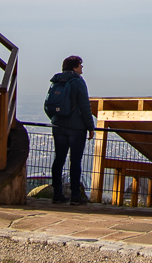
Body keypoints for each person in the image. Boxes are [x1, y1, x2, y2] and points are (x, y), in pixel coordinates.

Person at [47, 55, 93, 205]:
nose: (82, 68)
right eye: (80, 65)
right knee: (75, 161)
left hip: (58, 127)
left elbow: (48, 105)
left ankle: (57, 194)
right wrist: (90, 127)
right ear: (74, 67)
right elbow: (85, 107)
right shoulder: (78, 83)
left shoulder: (56, 81)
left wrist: (55, 119)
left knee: (58, 160)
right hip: (76, 128)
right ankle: (75, 196)